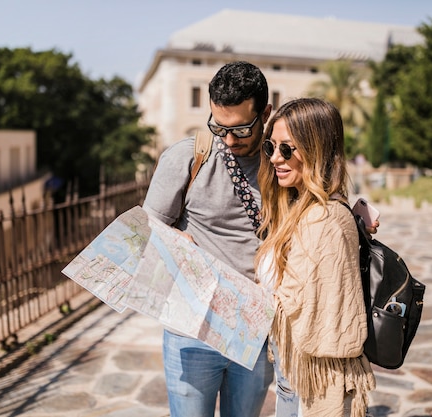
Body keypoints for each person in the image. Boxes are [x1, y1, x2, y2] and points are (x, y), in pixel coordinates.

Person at [142, 61, 274, 417]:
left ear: (267, 113)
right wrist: (176, 241)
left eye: (242, 130)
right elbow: (146, 233)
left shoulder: (282, 163)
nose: (229, 140)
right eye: (219, 127)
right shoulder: (187, 156)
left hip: (256, 330)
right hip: (192, 328)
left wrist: (355, 209)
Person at [255, 98, 376, 417]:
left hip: (311, 380)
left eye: (287, 149)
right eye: (271, 147)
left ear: (317, 149)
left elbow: (301, 307)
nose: (275, 159)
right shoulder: (298, 209)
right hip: (293, 369)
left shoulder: (321, 220)